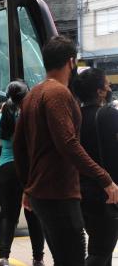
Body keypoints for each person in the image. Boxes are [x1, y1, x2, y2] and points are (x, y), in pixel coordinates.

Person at [13, 36, 118, 266]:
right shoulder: (58, 94)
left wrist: (27, 186)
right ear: (71, 62)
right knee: (72, 259)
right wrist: (105, 178)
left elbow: (18, 146)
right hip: (59, 193)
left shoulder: (32, 95)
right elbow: (68, 143)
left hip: (41, 194)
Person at [0, 80, 45, 266]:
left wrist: (1, 112)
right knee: (33, 214)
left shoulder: (4, 115)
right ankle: (38, 258)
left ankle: (3, 257)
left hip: (7, 167)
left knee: (8, 215)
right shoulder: (32, 113)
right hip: (29, 168)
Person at [73, 68, 118, 266]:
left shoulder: (75, 117)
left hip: (81, 191)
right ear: (100, 91)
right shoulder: (108, 114)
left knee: (100, 247)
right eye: (107, 84)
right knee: (101, 251)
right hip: (106, 192)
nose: (109, 87)